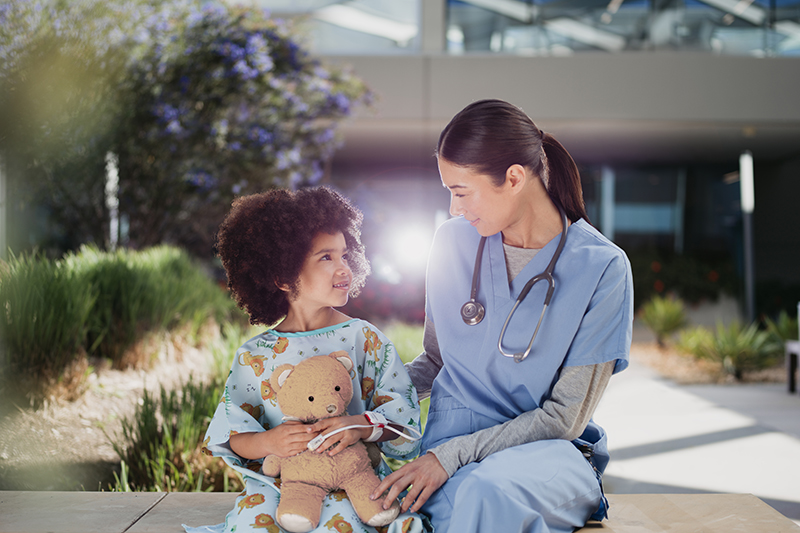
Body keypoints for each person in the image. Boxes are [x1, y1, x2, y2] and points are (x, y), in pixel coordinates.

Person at [372, 99, 634, 533]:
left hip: (542, 458)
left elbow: (563, 418)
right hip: (448, 451)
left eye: (461, 192)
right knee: (456, 508)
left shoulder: (602, 268)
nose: (455, 209)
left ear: (514, 177)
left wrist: (450, 457)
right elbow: (436, 361)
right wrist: (364, 406)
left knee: (485, 496)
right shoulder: (452, 242)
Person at [185, 186, 426, 533]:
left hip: (355, 480)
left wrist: (360, 425)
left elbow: (404, 422)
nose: (343, 268)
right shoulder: (255, 356)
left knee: (343, 524)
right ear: (282, 275)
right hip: (283, 486)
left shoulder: (364, 339)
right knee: (255, 525)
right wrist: (270, 442)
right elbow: (234, 433)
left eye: (345, 255)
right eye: (326, 257)